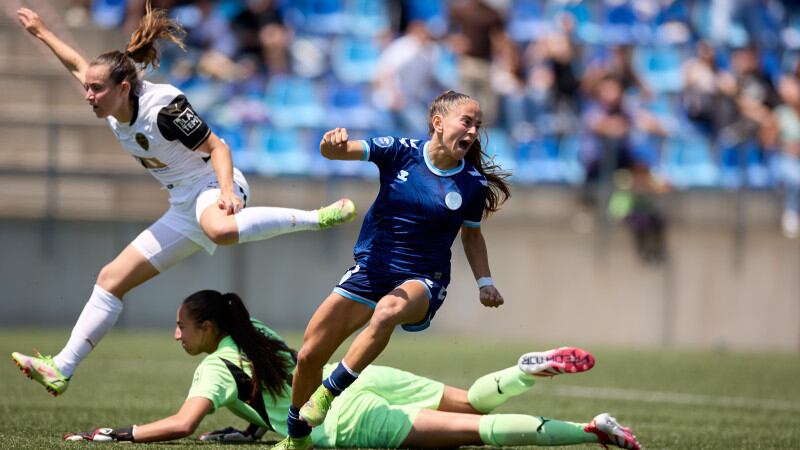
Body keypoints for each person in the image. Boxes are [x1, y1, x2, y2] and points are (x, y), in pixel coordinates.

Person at [10, 3, 356, 397]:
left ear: (123, 88)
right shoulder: (110, 106)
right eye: (88, 88)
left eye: (96, 89)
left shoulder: (165, 108)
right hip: (181, 204)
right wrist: (40, 30)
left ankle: (316, 217)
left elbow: (219, 148)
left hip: (212, 184)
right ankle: (62, 369)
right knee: (110, 280)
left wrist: (227, 193)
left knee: (219, 227)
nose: (88, 95)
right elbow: (76, 62)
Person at [62, 289, 641, 450]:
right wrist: (252, 425)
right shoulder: (256, 331)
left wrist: (114, 433)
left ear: (207, 331)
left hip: (342, 420)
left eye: (183, 326)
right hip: (359, 375)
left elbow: (183, 425)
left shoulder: (213, 370)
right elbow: (289, 376)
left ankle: (591, 432)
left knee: (476, 432)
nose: (177, 334)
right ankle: (521, 371)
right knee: (474, 402)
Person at [275, 90, 511, 450]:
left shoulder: (472, 184)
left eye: (478, 125)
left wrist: (485, 282)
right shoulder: (399, 150)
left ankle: (329, 392)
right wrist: (331, 144)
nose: (474, 131)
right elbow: (336, 152)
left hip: (424, 279)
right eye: (467, 121)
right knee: (308, 355)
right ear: (438, 123)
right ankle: (297, 438)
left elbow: (472, 236)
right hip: (371, 269)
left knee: (388, 311)